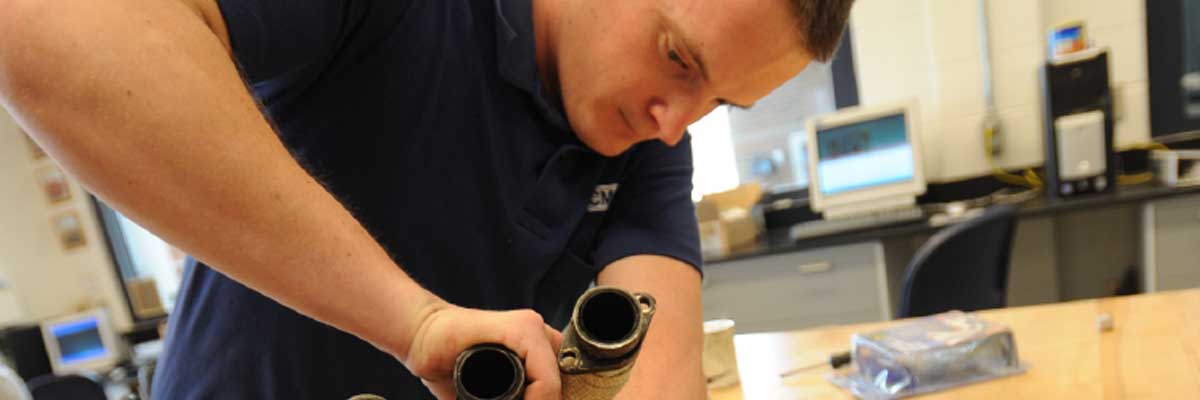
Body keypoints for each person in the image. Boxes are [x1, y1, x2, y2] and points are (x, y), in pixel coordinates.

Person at [0, 0, 854, 398]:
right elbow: (48, 21)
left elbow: (658, 365)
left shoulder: (643, 134)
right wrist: (414, 324)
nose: (680, 123)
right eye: (679, 57)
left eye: (721, 104)